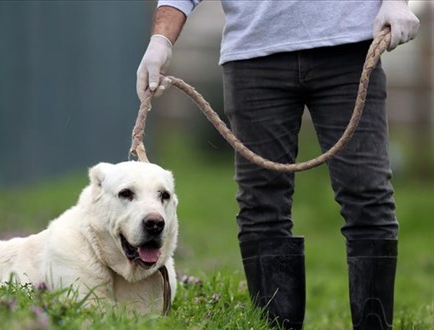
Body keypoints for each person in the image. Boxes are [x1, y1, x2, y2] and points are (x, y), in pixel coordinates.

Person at [136, 1, 419, 329]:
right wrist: (161, 40)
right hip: (252, 57)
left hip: (350, 49)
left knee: (368, 197)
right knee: (262, 206)